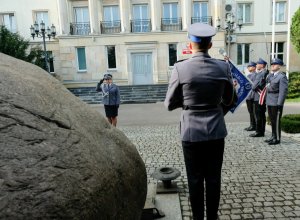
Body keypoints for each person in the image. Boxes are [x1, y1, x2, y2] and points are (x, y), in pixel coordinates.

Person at [164, 23, 237, 220]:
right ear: (210, 44)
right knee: (214, 179)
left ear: (191, 43)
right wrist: (215, 109)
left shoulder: (180, 67)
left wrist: (187, 103)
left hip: (191, 132)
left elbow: (169, 104)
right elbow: (230, 100)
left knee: (194, 179)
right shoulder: (223, 67)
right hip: (216, 130)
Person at [264, 58, 288, 145]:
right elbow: (266, 84)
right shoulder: (271, 76)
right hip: (269, 101)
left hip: (276, 102)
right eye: (272, 64)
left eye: (275, 64)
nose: (272, 65)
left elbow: (283, 91)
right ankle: (273, 136)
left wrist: (280, 104)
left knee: (276, 121)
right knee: (272, 120)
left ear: (279, 66)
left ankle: (277, 138)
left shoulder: (282, 77)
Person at [250, 58, 269, 137]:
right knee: (261, 115)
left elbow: (254, 86)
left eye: (258, 64)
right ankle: (261, 131)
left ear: (262, 65)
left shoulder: (262, 73)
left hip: (259, 97)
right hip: (259, 97)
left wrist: (252, 86)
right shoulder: (262, 73)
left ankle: (259, 132)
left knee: (258, 115)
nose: (256, 65)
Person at [244, 62, 257, 131]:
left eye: (250, 66)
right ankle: (252, 124)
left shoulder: (255, 75)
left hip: (252, 96)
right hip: (248, 97)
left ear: (254, 67)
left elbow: (253, 87)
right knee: (250, 111)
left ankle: (254, 125)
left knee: (252, 112)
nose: (248, 68)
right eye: (248, 66)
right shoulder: (249, 75)